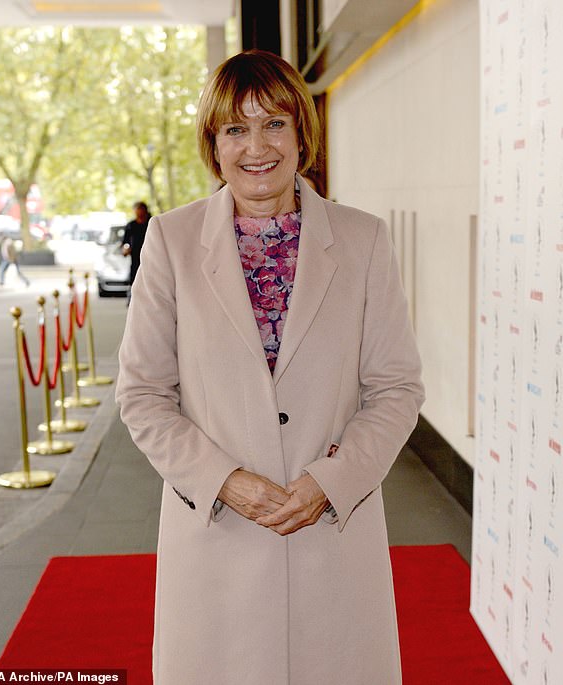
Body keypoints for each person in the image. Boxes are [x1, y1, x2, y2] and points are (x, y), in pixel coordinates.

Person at [116, 50, 424, 685]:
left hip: (331, 535)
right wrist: (223, 480)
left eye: (274, 123)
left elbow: (395, 388)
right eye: (235, 128)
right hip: (218, 535)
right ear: (214, 144)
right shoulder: (172, 242)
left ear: (301, 133)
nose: (256, 147)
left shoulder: (363, 239)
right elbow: (143, 394)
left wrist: (332, 481)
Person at [121, 201, 151, 288]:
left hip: (150, 260)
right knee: (135, 284)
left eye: (140, 210)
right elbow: (125, 242)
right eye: (137, 210)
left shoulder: (151, 223)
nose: (138, 213)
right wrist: (125, 249)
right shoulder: (131, 225)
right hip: (135, 261)